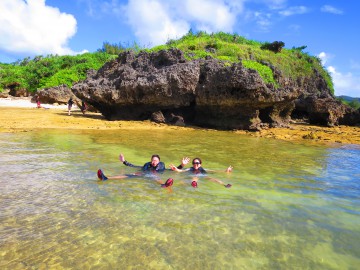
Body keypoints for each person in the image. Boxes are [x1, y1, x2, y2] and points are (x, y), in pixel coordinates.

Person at [97, 154, 190, 186]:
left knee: (154, 176)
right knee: (129, 175)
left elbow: (173, 170)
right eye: (153, 160)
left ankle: (164, 185)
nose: (154, 162)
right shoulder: (147, 165)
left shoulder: (161, 166)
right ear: (151, 161)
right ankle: (106, 178)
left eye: (156, 160)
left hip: (154, 177)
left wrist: (182, 165)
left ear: (159, 161)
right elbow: (134, 166)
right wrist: (124, 161)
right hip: (143, 175)